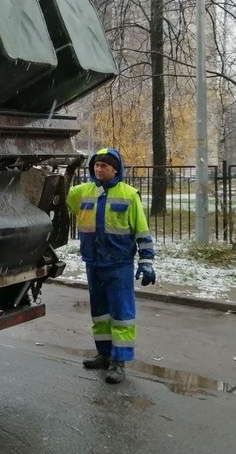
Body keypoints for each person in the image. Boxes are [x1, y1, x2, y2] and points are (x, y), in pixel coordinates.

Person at [66, 147, 155, 384]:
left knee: (121, 315)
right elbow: (61, 191)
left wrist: (146, 261)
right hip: (93, 262)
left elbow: (142, 230)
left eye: (103, 165)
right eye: (96, 165)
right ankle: (104, 354)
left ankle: (119, 362)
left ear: (115, 169)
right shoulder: (83, 192)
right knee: (100, 313)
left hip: (119, 263)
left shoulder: (129, 195)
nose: (98, 169)